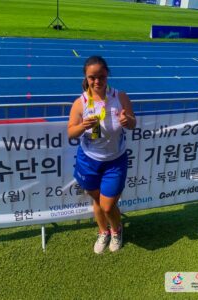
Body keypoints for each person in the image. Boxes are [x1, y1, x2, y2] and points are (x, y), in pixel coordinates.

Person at [68, 56, 136, 254]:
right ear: (86, 78)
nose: (97, 81)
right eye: (92, 77)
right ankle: (103, 231)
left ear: (107, 75)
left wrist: (127, 120)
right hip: (88, 161)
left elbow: (133, 124)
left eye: (101, 77)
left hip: (115, 161)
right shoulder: (80, 103)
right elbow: (70, 132)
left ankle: (116, 230)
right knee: (97, 201)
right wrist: (82, 126)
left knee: (107, 206)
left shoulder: (120, 96)